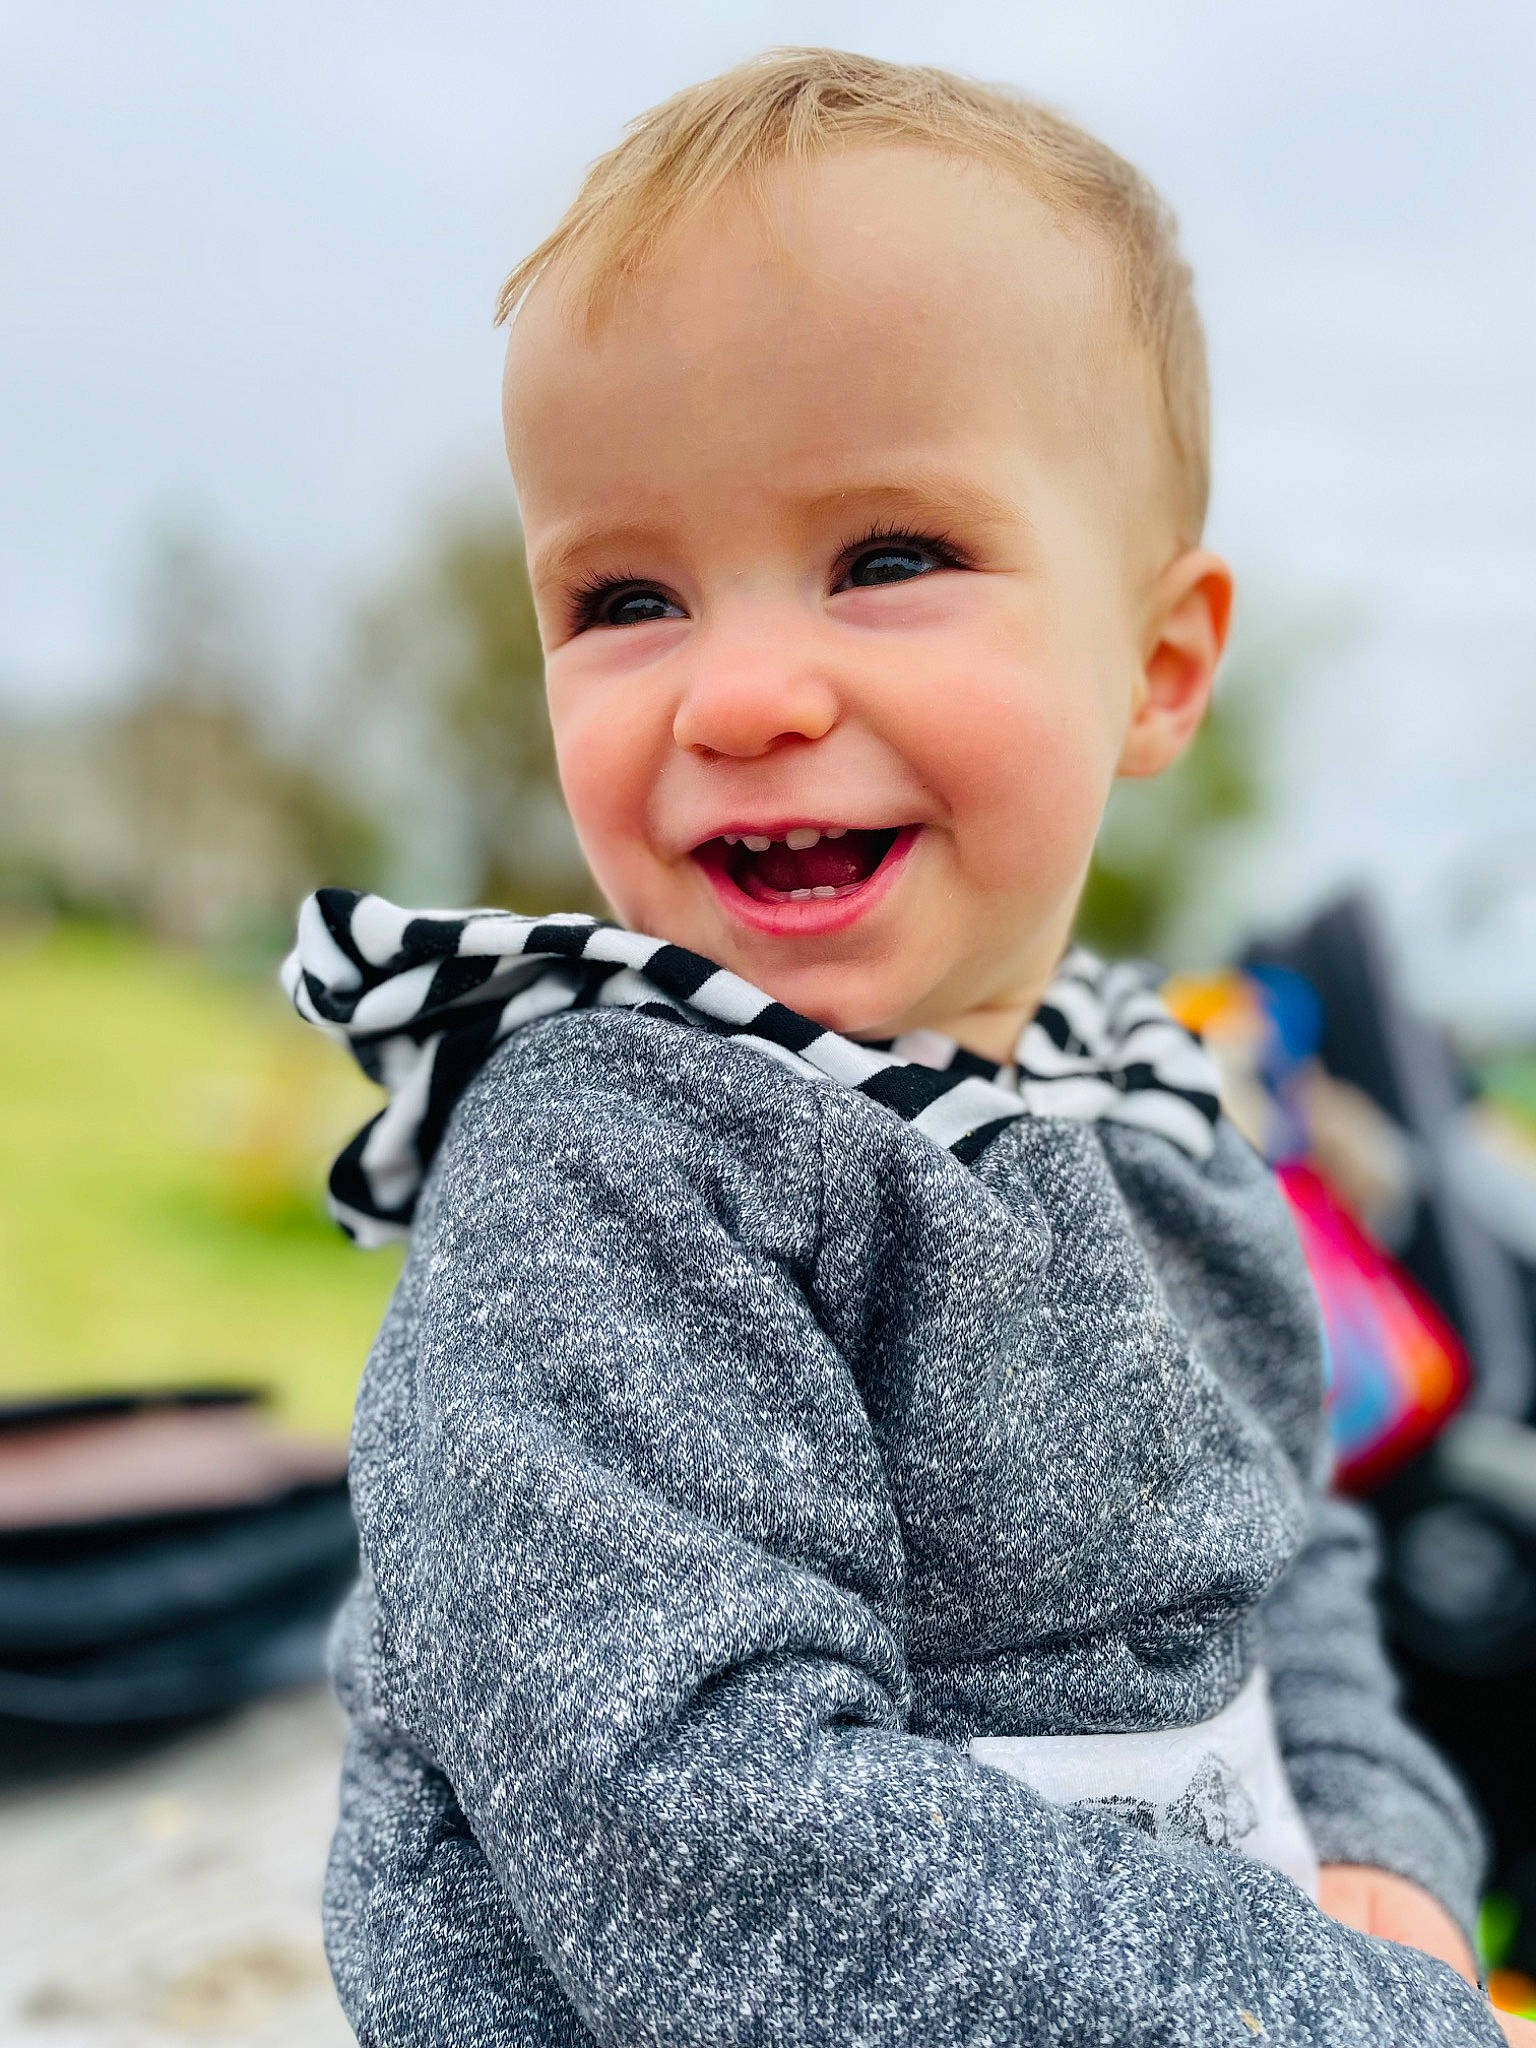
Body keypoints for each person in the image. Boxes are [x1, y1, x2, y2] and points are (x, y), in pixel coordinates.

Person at [287, 48, 1534, 2047]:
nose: (748, 691)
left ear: (1159, 665)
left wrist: (1379, 1835)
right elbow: (700, 1818)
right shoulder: (614, 1156)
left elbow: (1281, 1547)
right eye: (626, 594)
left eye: (885, 559)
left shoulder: (1149, 1090)